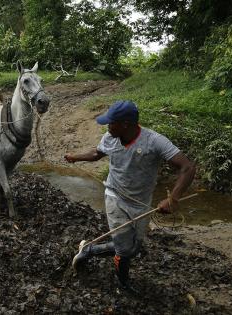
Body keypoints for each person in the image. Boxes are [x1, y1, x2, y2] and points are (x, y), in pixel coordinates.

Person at [64, 100, 196, 294]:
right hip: (115, 198)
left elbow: (188, 167)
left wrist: (173, 199)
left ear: (125, 124)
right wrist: (75, 157)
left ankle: (89, 250)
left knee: (133, 249)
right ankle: (123, 284)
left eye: (111, 123)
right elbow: (96, 153)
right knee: (125, 250)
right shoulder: (110, 137)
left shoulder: (154, 141)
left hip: (141, 202)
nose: (107, 126)